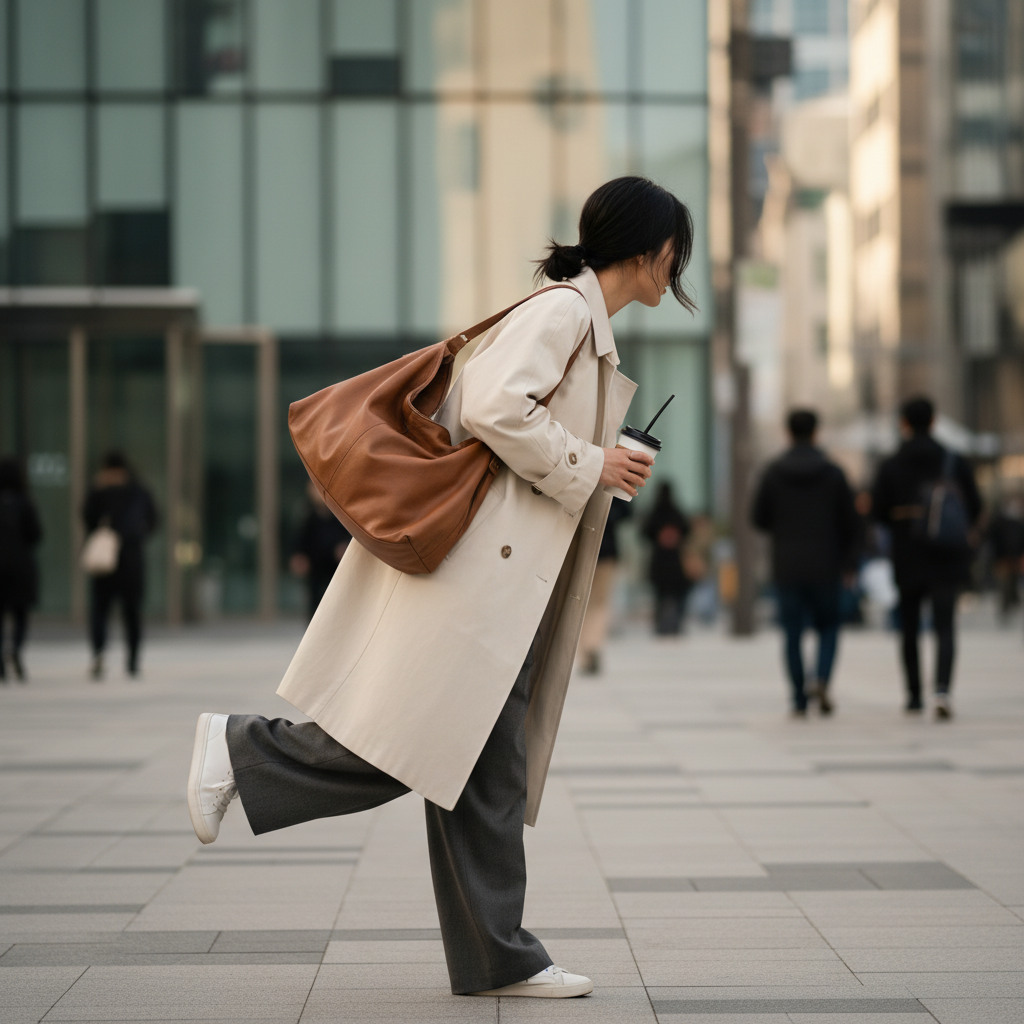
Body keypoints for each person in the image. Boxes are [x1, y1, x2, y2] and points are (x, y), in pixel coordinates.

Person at [187, 176, 694, 999]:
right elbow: (498, 407)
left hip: (505, 580)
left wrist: (598, 465)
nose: (677, 268)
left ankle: (499, 956)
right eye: (675, 250)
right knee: (426, 745)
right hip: (482, 580)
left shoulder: (580, 321)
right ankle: (242, 753)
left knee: (484, 766)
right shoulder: (565, 313)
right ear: (649, 250)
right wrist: (591, 462)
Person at [871, 396, 983, 719]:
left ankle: (913, 694)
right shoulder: (952, 460)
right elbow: (974, 505)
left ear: (903, 423)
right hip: (947, 554)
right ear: (934, 422)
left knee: (909, 625)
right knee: (945, 624)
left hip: (907, 552)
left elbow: (878, 512)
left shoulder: (891, 463)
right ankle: (943, 690)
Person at [752, 409, 858, 717]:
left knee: (792, 632)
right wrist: (849, 562)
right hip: (827, 563)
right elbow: (851, 522)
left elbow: (758, 518)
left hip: (787, 564)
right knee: (829, 625)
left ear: (787, 433)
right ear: (816, 433)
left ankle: (799, 697)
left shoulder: (773, 472)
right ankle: (822, 678)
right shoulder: (834, 472)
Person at [83, 451, 158, 680]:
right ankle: (133, 660)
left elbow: (86, 517)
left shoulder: (99, 492)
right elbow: (153, 520)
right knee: (132, 613)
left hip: (105, 564)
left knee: (100, 610)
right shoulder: (138, 491)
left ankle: (98, 653)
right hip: (131, 562)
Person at [0, 458, 42, 682]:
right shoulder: (24, 502)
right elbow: (36, 534)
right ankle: (15, 649)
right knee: (20, 614)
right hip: (20, 566)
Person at [577, 497, 630, 674]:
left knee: (580, 602)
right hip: (606, 550)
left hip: (583, 548)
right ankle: (592, 646)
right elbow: (628, 512)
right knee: (599, 604)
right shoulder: (614, 483)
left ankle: (585, 651)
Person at [289, 482, 351, 619]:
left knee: (338, 604)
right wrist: (299, 557)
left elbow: (348, 538)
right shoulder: (306, 514)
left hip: (336, 569)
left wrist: (344, 549)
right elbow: (299, 540)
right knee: (315, 605)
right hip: (315, 569)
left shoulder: (340, 514)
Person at [643, 482, 692, 635]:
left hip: (662, 560)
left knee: (661, 596)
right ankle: (674, 625)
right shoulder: (675, 512)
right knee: (673, 596)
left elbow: (645, 532)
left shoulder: (655, 512)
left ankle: (662, 625)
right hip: (671, 560)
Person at [986, 496, 1024, 622]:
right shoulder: (999, 522)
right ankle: (1005, 609)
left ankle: (1012, 604)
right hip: (1002, 559)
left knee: (1012, 584)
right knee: (1004, 585)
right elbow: (992, 539)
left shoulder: (1018, 523)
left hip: (1014, 559)